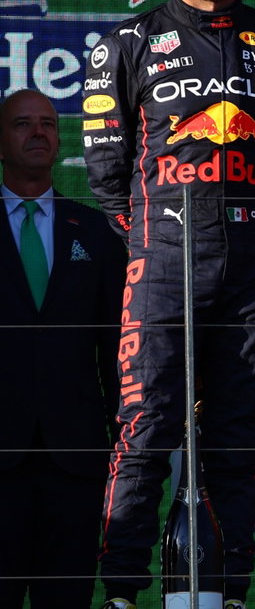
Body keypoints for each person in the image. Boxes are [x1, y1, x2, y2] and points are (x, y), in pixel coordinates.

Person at [84, 0, 255, 609]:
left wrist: (241, 225)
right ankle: (122, 591)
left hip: (253, 266)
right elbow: (106, 172)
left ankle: (225, 593)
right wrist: (163, 235)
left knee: (233, 438)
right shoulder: (127, 41)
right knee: (146, 425)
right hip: (163, 261)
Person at [0, 90, 124, 608]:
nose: (38, 133)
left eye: (48, 124)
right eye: (23, 124)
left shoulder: (94, 230)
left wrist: (122, 438)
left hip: (75, 462)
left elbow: (118, 350)